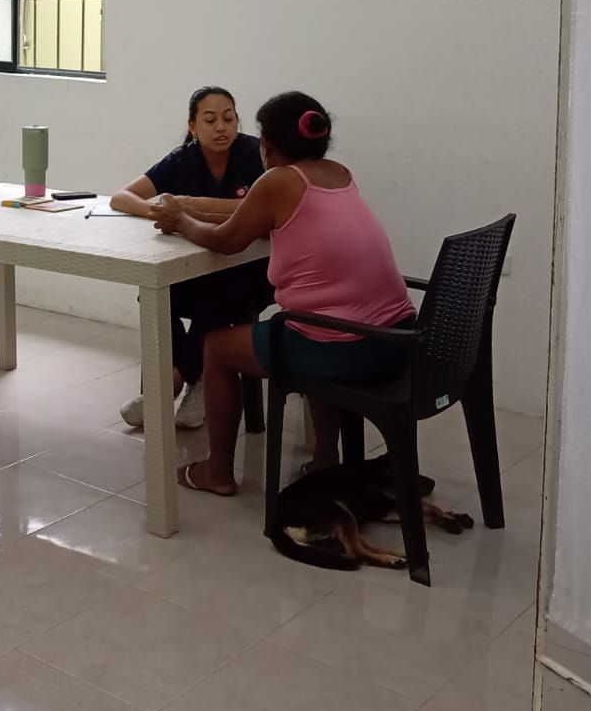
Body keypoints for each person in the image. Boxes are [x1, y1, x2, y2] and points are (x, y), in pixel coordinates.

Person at [151, 91, 415, 495]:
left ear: (267, 145)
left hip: (346, 348)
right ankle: (324, 458)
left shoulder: (278, 180)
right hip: (396, 338)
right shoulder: (340, 173)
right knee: (316, 323)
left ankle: (217, 473)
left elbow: (225, 241)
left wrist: (181, 220)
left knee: (217, 347)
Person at [110, 85, 273, 430]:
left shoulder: (254, 153)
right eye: (210, 120)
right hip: (201, 269)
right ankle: (193, 378)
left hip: (254, 271)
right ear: (193, 125)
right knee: (156, 290)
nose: (221, 127)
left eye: (229, 118)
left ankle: (172, 383)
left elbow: (262, 206)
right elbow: (121, 198)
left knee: (219, 288)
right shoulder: (183, 158)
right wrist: (159, 211)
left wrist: (193, 205)